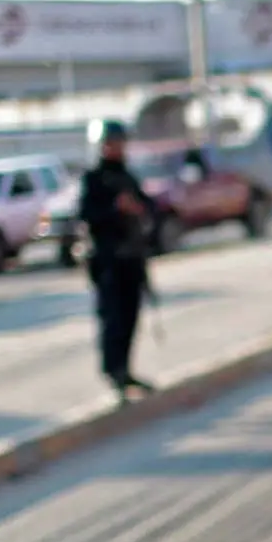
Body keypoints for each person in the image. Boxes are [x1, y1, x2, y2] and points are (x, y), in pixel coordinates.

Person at [78, 120, 156, 403]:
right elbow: (87, 215)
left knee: (131, 316)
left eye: (119, 142)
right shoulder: (94, 178)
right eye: (110, 143)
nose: (116, 147)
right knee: (113, 318)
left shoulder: (127, 176)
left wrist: (138, 208)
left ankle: (126, 369)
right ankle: (114, 372)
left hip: (132, 258)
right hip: (108, 259)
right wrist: (115, 208)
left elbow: (149, 207)